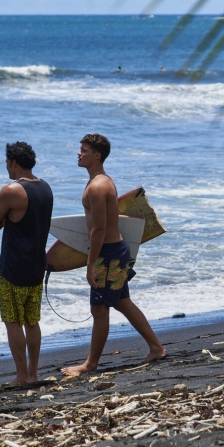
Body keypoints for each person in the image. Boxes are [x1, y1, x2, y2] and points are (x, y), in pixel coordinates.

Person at [62, 134, 166, 376]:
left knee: (99, 309)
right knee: (122, 303)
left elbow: (98, 229)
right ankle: (156, 347)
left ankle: (90, 364)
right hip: (114, 251)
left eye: (84, 150)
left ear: (96, 156)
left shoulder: (98, 186)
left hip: (108, 254)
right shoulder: (101, 181)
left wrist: (90, 264)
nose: (79, 153)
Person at [0, 142, 53, 385]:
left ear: (14, 162)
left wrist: (5, 219)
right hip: (37, 264)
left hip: (13, 267)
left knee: (12, 321)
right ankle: (34, 373)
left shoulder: (12, 190)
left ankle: (22, 376)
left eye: (7, 162)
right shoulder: (45, 188)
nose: (6, 167)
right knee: (32, 321)